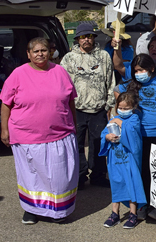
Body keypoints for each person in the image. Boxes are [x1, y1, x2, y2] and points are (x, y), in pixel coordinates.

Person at [0, 37, 79, 225]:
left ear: (49, 52)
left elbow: (70, 101)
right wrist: (4, 130)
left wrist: (74, 125)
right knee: (32, 176)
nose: (40, 54)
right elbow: (5, 104)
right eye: (35, 51)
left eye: (43, 50)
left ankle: (60, 211)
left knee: (60, 177)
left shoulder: (60, 72)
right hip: (26, 136)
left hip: (60, 134)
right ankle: (31, 210)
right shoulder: (18, 74)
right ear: (28, 54)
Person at [113, 53, 156, 223]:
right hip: (139, 135)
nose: (139, 73)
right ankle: (142, 204)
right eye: (136, 70)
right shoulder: (133, 84)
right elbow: (117, 92)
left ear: (152, 69)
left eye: (142, 70)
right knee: (142, 171)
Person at [61, 22, 116, 189]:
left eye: (89, 36)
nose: (86, 40)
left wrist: (109, 104)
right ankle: (79, 176)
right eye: (83, 37)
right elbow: (63, 83)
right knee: (76, 144)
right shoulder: (69, 58)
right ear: (77, 39)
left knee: (99, 143)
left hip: (99, 108)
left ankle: (98, 175)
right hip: (76, 109)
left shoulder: (104, 56)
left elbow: (110, 80)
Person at [100, 90, 147, 229]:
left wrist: (120, 122)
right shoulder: (112, 119)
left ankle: (133, 214)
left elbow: (133, 135)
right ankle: (115, 213)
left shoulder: (134, 119)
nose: (122, 110)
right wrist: (107, 137)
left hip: (129, 159)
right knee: (116, 183)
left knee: (131, 183)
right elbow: (104, 133)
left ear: (133, 108)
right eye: (120, 108)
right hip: (115, 158)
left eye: (126, 108)